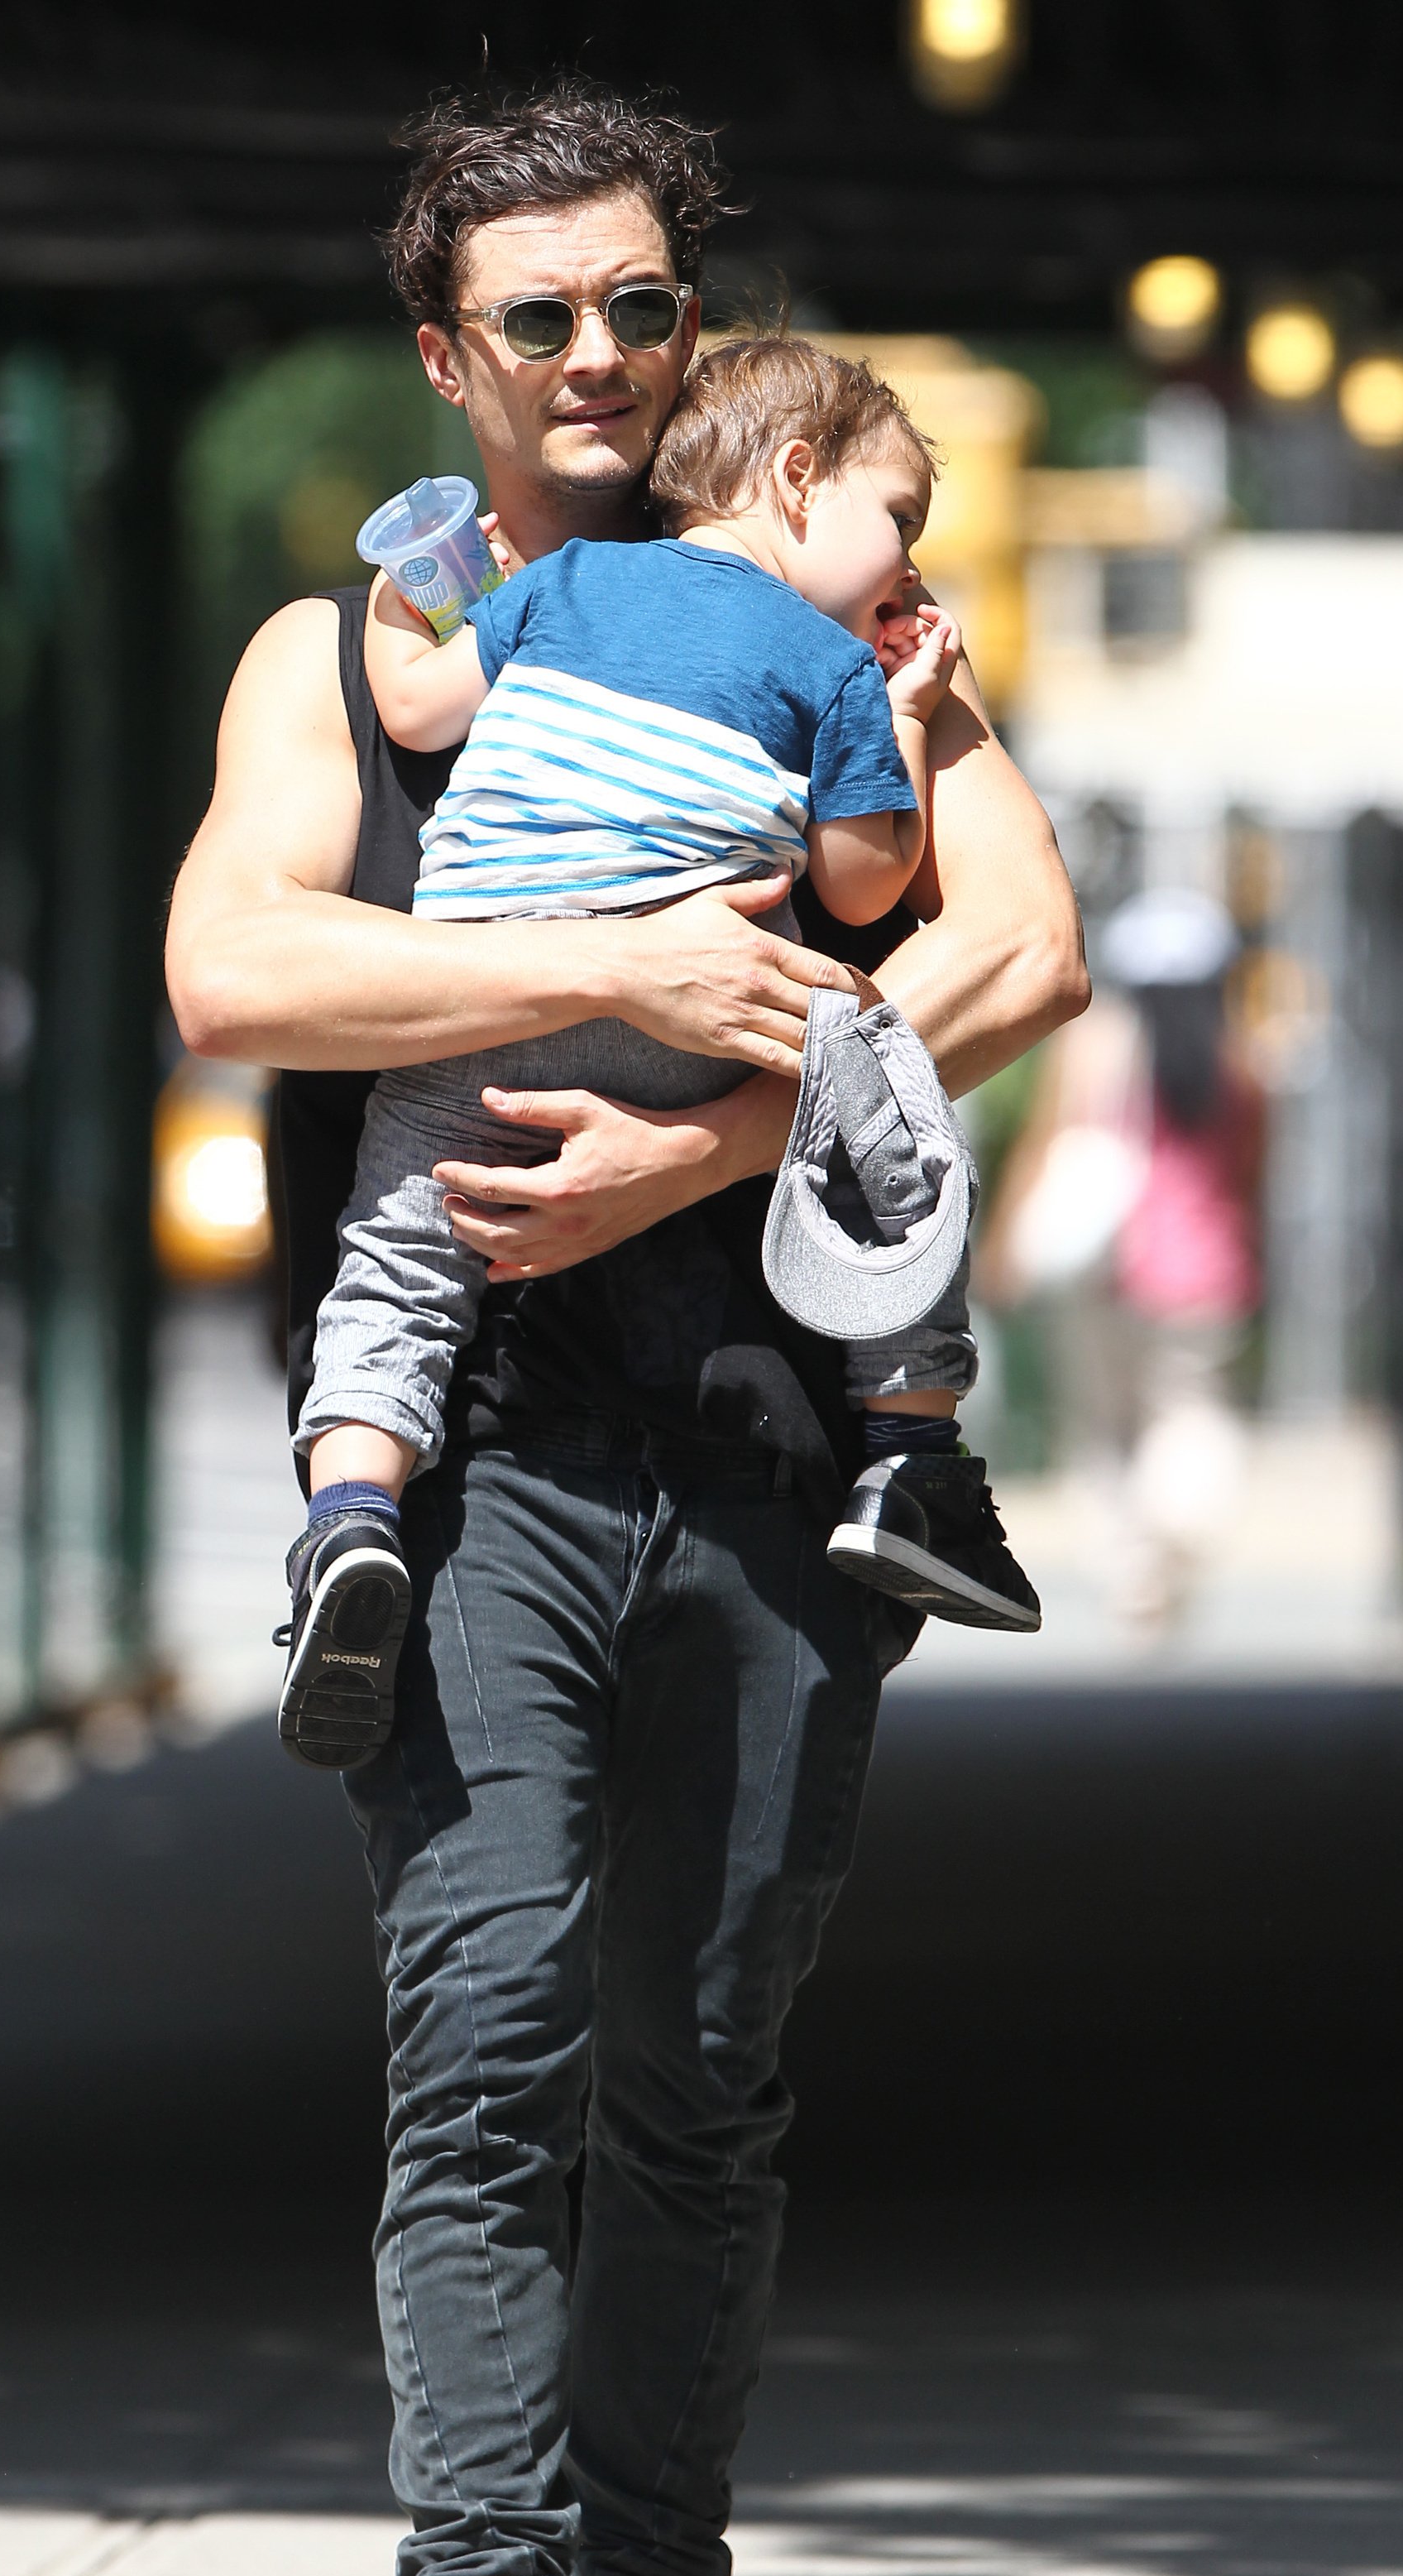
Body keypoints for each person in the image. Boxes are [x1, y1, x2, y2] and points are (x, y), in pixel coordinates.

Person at [165, 79, 1086, 2576]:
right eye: (536, 314)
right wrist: (622, 960)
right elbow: (238, 966)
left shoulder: (851, 612)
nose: (595, 352)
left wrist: (712, 1128)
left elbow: (1019, 941)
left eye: (640, 305)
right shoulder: (359, 664)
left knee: (701, 2087)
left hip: (786, 1465)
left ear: (697, 331)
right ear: (446, 355)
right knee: (489, 2046)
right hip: (481, 1473)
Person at [280, 333, 1040, 1771]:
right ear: (799, 479)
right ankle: (914, 1456)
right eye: (899, 521)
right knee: (889, 1126)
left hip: (488, 1005)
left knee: (395, 1261)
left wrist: (398, 599)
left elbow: (415, 704)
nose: (908, 566)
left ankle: (352, 1518)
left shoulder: (562, 585)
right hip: (698, 1030)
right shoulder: (831, 663)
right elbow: (863, 888)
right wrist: (900, 712)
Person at [984, 886, 1262, 1632]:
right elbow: (1250, 1172)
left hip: (1101, 1268)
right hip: (1204, 1273)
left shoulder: (1096, 1043)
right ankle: (1176, 1529)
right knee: (1190, 1407)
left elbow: (1045, 1144)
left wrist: (1005, 1246)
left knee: (1104, 1422)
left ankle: (1134, 1568)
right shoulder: (1242, 1059)